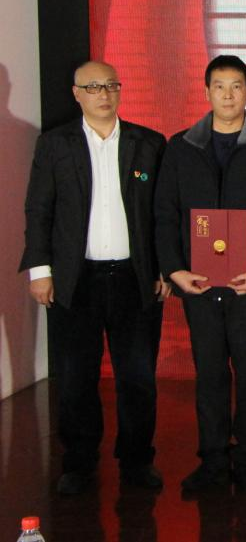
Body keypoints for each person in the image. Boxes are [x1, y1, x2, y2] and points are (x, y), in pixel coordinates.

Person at [20, 60, 168, 495]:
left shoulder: (148, 143)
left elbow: (164, 214)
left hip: (134, 278)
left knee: (137, 376)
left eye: (111, 86)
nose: (104, 94)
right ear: (76, 93)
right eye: (94, 87)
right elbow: (39, 209)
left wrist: (164, 268)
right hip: (75, 279)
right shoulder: (55, 145)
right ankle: (80, 463)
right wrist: (40, 271)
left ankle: (137, 461)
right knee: (75, 376)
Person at [155, 54, 246, 493]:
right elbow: (164, 214)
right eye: (220, 86)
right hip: (197, 284)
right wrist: (174, 270)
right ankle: (213, 459)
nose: (229, 95)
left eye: (237, 86)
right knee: (209, 374)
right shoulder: (181, 147)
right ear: (207, 92)